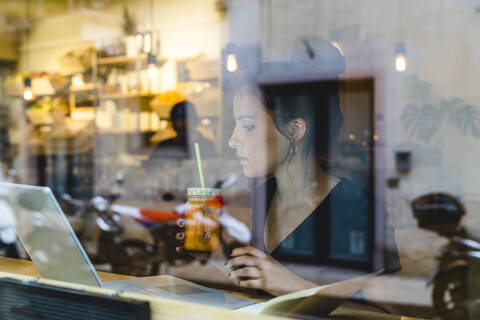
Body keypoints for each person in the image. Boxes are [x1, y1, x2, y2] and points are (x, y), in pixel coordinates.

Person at [226, 36, 400, 297]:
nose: (232, 141)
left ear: (295, 130)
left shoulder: (354, 206)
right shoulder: (265, 195)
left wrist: (291, 285)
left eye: (248, 126)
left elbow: (396, 304)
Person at [148, 101, 217, 160]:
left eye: (184, 120)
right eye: (177, 120)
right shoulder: (164, 146)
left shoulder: (206, 146)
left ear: (194, 121)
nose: (180, 124)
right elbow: (151, 168)